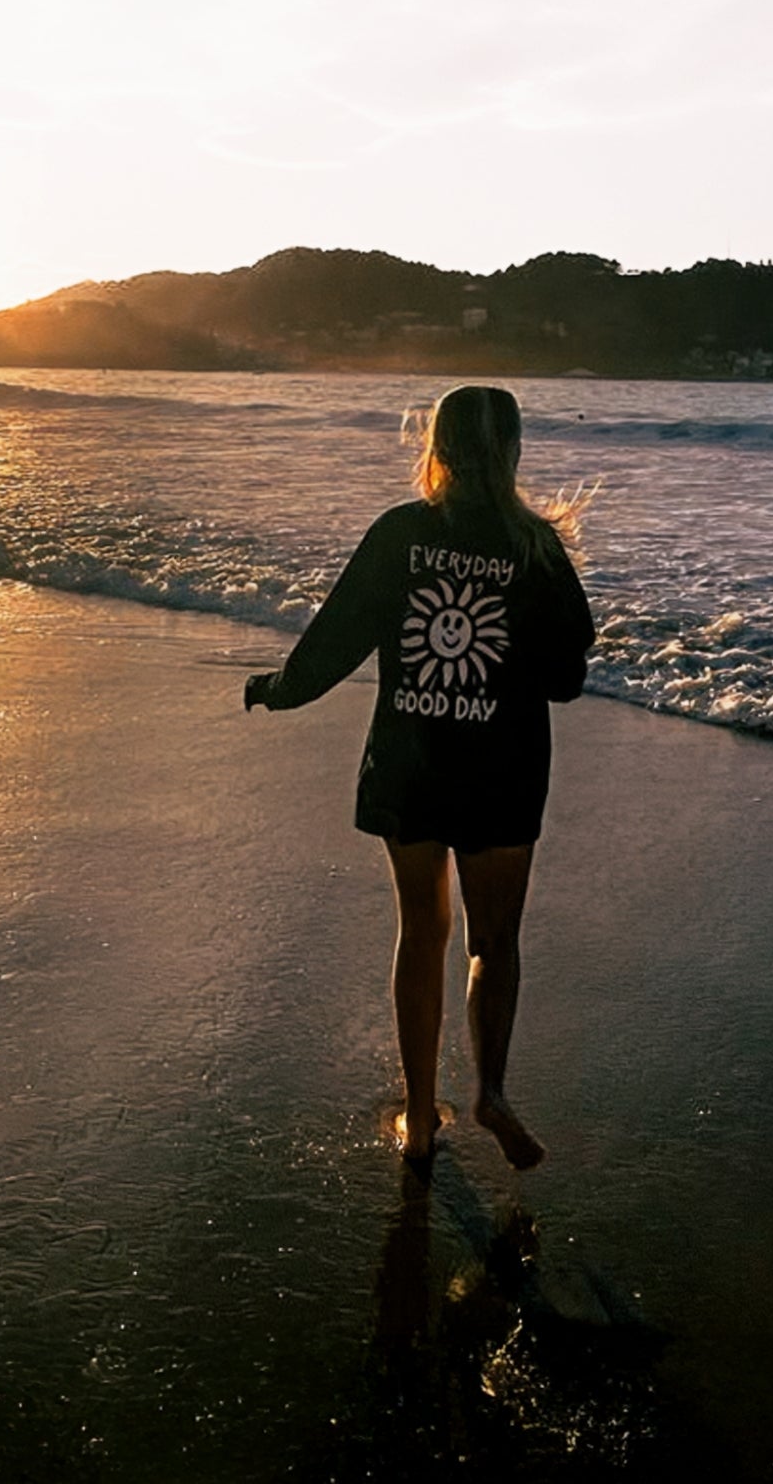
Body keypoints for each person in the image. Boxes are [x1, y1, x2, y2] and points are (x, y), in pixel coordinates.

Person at [245, 384, 595, 1169]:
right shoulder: (535, 548)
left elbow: (338, 637)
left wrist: (279, 689)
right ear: (512, 453)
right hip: (501, 772)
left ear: (435, 449)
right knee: (494, 941)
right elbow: (567, 675)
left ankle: (419, 1115)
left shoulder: (402, 533)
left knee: (422, 932)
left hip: (411, 767)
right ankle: (493, 1093)